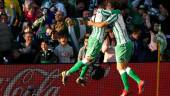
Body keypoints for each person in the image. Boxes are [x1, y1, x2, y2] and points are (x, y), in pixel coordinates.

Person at [88, 1, 144, 96]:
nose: (107, 8)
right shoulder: (116, 14)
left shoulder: (116, 13)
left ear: (112, 7)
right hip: (127, 43)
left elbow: (102, 22)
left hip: (122, 44)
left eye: (108, 6)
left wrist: (92, 22)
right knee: (123, 67)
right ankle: (128, 88)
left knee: (120, 67)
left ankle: (136, 83)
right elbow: (104, 15)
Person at [61, 3, 120, 86]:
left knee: (88, 60)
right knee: (88, 60)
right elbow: (103, 22)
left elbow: (86, 21)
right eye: (110, 6)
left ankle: (81, 77)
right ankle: (67, 73)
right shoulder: (103, 12)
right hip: (96, 40)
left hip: (94, 39)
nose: (111, 8)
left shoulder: (97, 15)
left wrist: (74, 22)